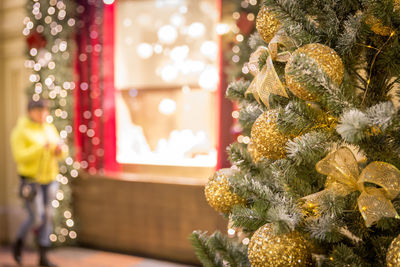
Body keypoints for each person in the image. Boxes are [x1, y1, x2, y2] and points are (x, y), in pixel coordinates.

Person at [10, 99, 67, 267]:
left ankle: (43, 256)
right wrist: (41, 147)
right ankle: (18, 242)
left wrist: (59, 151)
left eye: (45, 111)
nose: (43, 114)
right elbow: (20, 156)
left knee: (48, 217)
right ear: (30, 112)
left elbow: (62, 152)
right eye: (39, 111)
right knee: (37, 217)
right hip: (31, 181)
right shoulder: (20, 131)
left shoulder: (49, 128)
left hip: (50, 179)